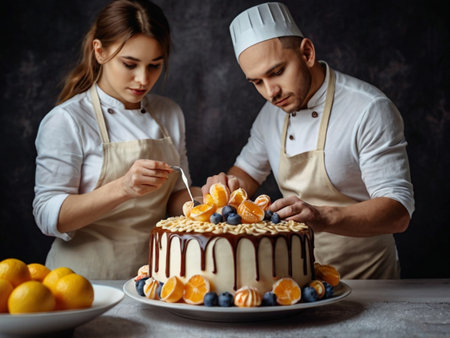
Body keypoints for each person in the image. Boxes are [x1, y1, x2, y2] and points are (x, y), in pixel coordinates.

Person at [202, 2, 414, 279]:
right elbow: (246, 174)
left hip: (368, 282)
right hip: (299, 281)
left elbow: (398, 213)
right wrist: (226, 186)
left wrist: (323, 218)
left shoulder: (368, 108)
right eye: (257, 82)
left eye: (277, 72)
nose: (271, 92)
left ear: (307, 53)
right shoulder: (270, 116)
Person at [33, 0, 200, 279]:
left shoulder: (170, 113)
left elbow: (173, 201)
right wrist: (123, 188)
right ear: (100, 51)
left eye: (154, 66)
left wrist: (206, 195)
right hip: (83, 282)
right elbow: (47, 216)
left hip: (154, 278)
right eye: (130, 64)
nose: (142, 79)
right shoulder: (68, 120)